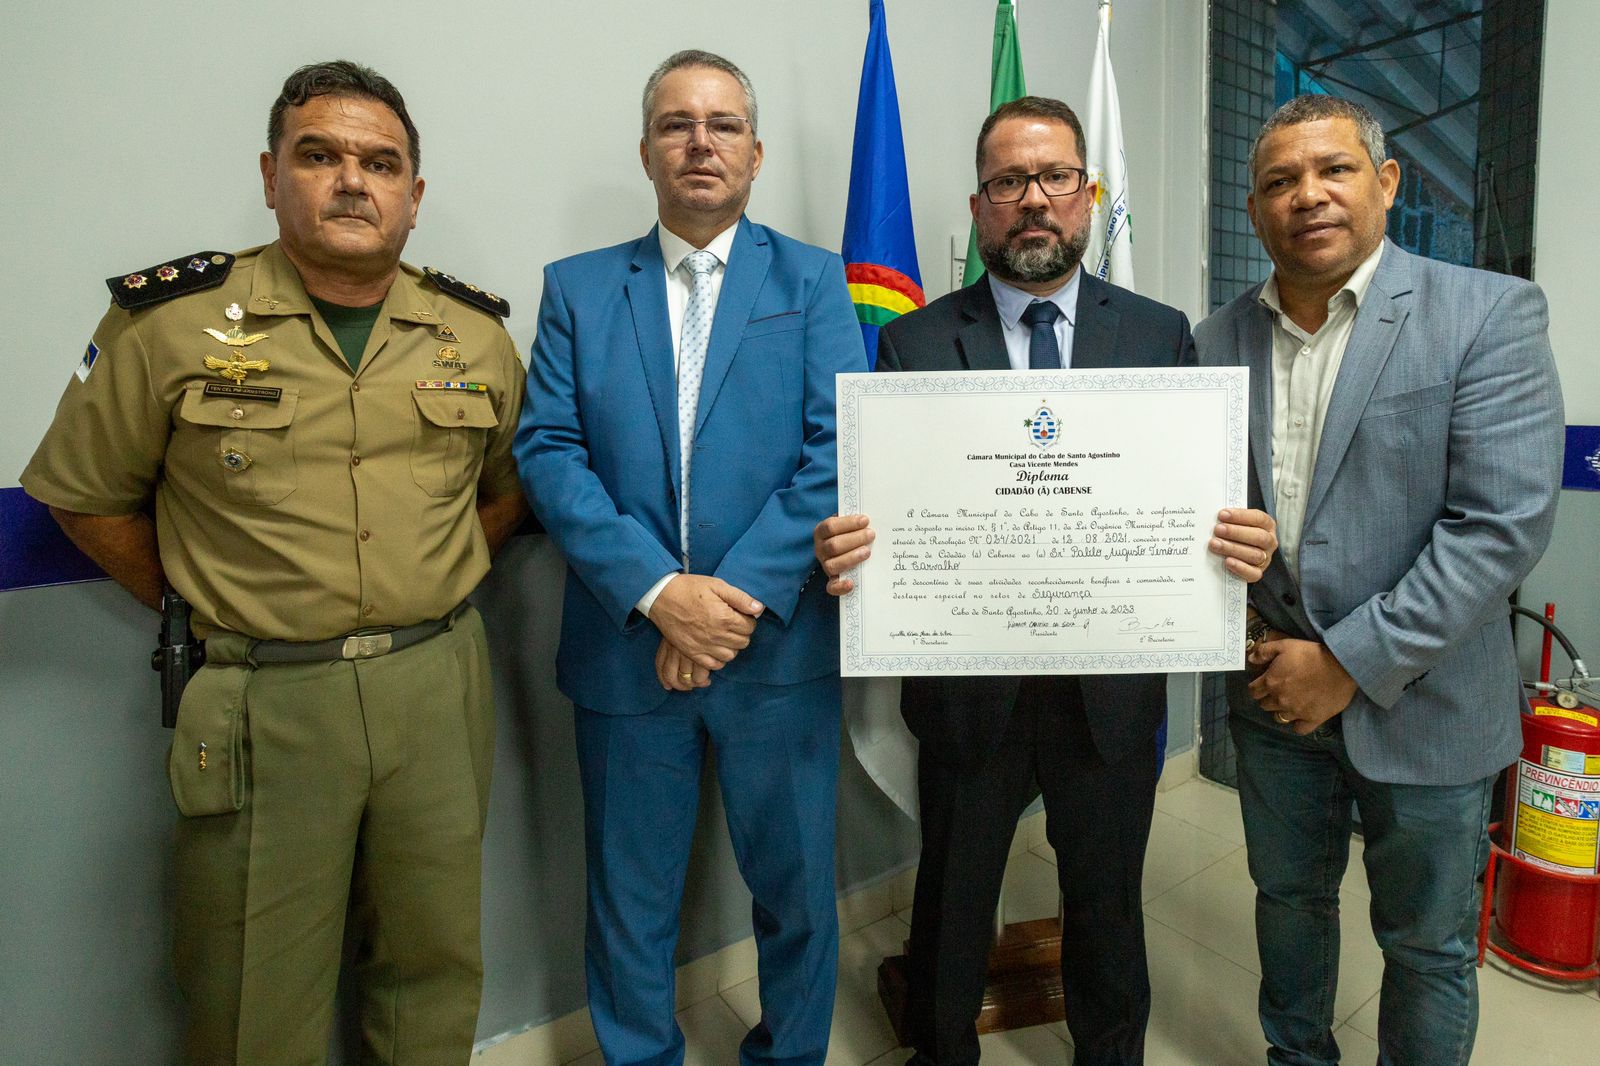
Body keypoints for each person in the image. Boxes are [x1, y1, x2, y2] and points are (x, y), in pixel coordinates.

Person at [20, 60, 527, 1064]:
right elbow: (80, 494)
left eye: (381, 162)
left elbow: (508, 486)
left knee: (432, 974)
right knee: (254, 999)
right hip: (264, 700)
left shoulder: (471, 332)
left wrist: (442, 572)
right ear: (269, 174)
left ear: (413, 197)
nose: (352, 179)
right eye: (320, 154)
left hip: (437, 686)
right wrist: (206, 599)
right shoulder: (168, 324)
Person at [813, 96, 1278, 1066]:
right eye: (1008, 182)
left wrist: (1237, 534)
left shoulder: (1158, 334)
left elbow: (1200, 492)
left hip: (1107, 694)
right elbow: (889, 509)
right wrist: (852, 549)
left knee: (1106, 903)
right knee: (950, 899)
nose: (1033, 200)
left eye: (1054, 178)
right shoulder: (912, 342)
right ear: (979, 206)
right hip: (967, 690)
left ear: (1088, 195)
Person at [1196, 94, 1563, 1065]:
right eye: (1278, 180)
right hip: (1271, 697)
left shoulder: (1485, 311)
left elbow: (1498, 526)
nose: (1305, 196)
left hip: (1428, 701)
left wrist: (1346, 663)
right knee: (1288, 906)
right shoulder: (1210, 341)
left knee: (1428, 945)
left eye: (1333, 170)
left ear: (1386, 182)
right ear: (1253, 207)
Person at [513, 50, 865, 1066]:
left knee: (797, 893)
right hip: (627, 652)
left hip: (776, 655)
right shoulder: (578, 290)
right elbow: (548, 448)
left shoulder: (813, 280)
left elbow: (834, 446)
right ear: (645, 150)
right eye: (676, 124)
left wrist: (731, 603)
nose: (699, 142)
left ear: (754, 153)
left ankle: (790, 1054)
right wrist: (662, 595)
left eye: (721, 124)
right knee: (629, 901)